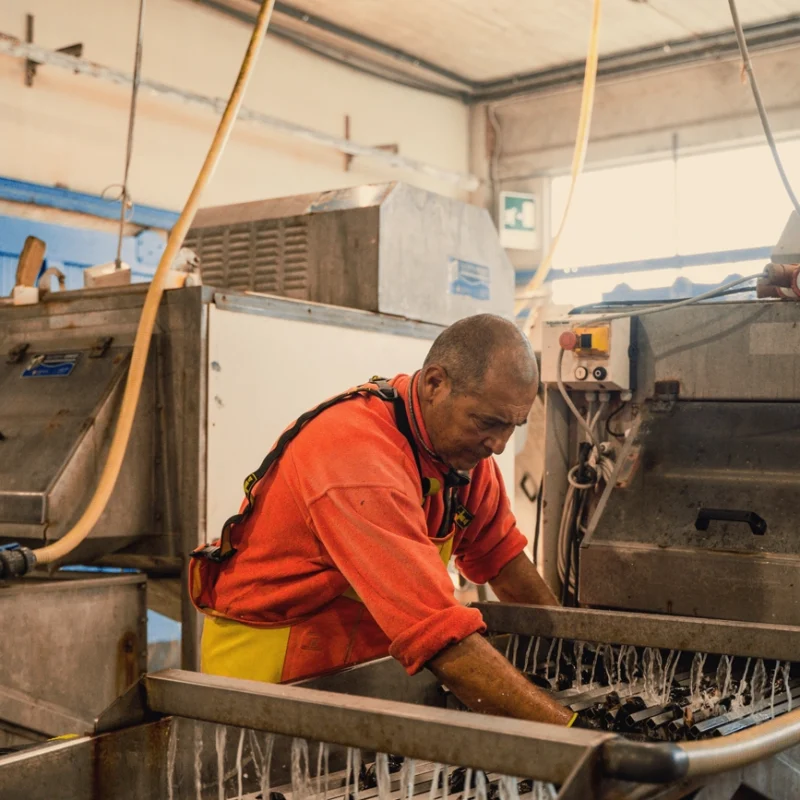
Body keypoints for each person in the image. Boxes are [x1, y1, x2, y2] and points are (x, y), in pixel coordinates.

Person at [190, 313, 573, 727]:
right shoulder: (356, 456)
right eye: (487, 423)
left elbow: (503, 560)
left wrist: (575, 657)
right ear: (435, 384)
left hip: (359, 679)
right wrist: (574, 734)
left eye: (513, 426)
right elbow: (436, 632)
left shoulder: (463, 460)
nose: (498, 445)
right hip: (270, 683)